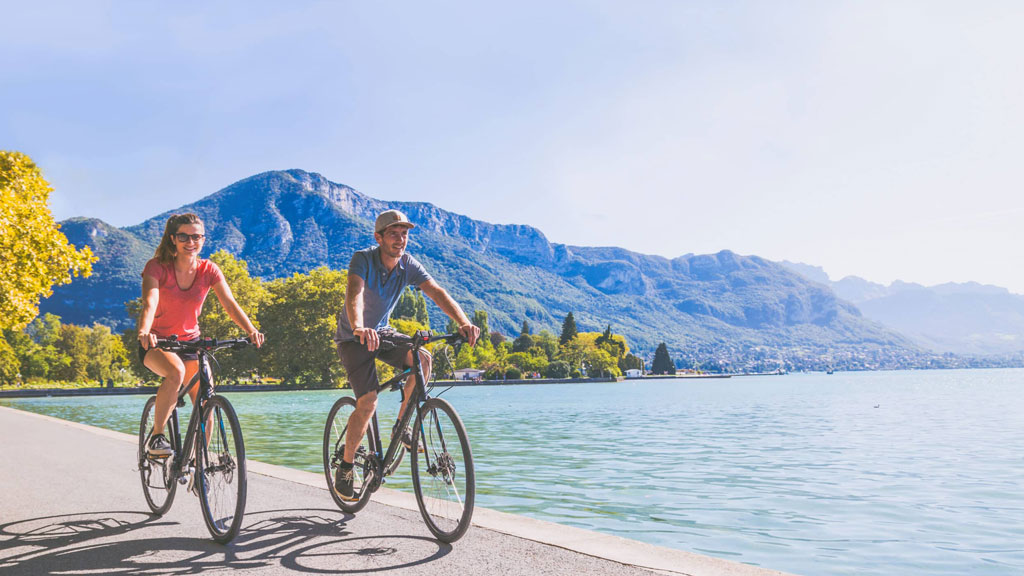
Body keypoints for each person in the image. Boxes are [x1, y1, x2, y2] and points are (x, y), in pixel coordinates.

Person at [334, 209, 480, 500]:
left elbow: (436, 292)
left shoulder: (408, 265)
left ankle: (402, 429)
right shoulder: (363, 259)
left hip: (383, 332)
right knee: (368, 401)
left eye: (404, 234)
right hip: (354, 336)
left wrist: (463, 322)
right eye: (393, 234)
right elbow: (355, 293)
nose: (400, 240)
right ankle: (347, 466)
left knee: (423, 358)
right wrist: (360, 326)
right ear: (379, 238)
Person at [137, 213, 265, 457]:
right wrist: (144, 331)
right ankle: (157, 437)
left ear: (203, 239)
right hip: (157, 342)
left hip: (191, 344)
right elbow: (149, 302)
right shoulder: (156, 267)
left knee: (207, 399)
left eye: (196, 236)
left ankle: (199, 463)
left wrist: (250, 330)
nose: (190, 241)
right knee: (176, 372)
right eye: (184, 236)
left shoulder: (209, 270)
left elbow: (230, 304)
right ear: (173, 239)